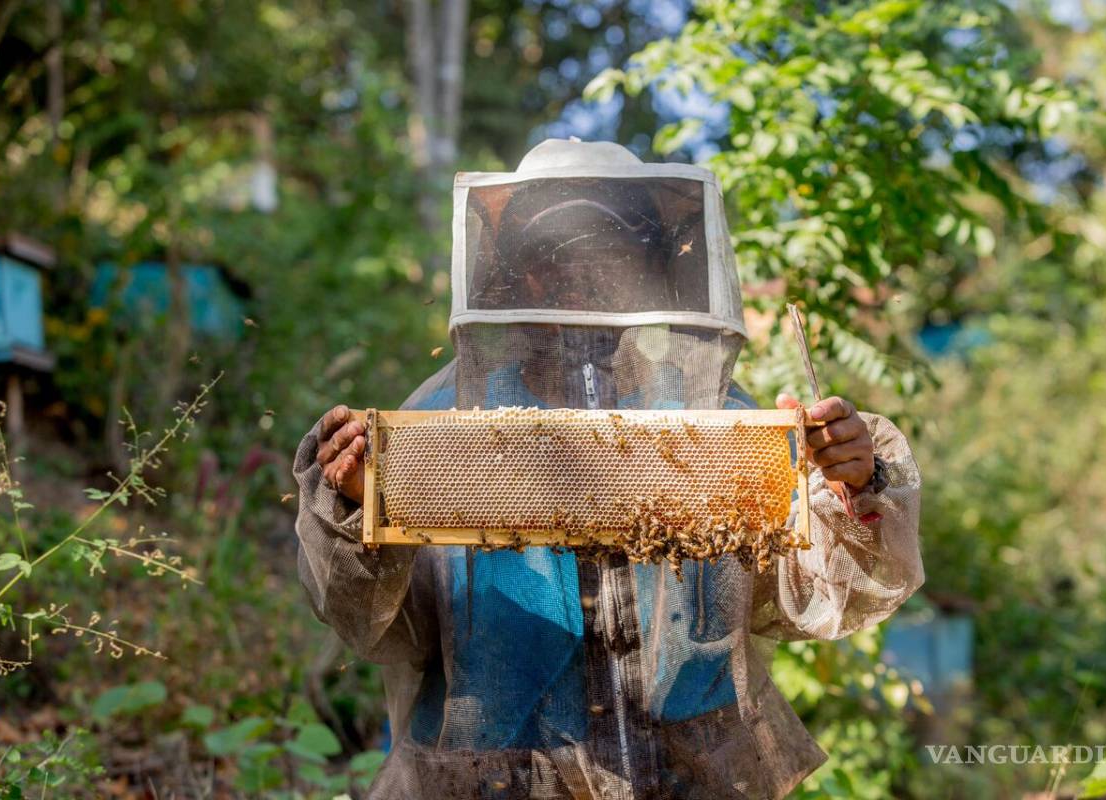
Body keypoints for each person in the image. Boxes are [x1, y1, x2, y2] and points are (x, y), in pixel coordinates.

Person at [294, 139, 923, 799]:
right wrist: (355, 508)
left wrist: (850, 483)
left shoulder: (714, 422)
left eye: (609, 253)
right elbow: (370, 619)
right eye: (552, 258)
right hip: (497, 780)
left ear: (649, 272)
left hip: (686, 775)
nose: (579, 278)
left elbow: (819, 595)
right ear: (515, 277)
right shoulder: (440, 424)